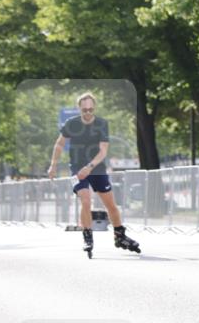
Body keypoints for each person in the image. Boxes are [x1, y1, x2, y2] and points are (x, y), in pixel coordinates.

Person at [47, 92, 140, 257]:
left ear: (94, 108)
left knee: (110, 205)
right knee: (85, 200)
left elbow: (103, 151)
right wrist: (53, 165)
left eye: (91, 109)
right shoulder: (71, 123)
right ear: (79, 108)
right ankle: (88, 237)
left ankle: (120, 236)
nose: (88, 113)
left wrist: (89, 167)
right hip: (77, 169)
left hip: (96, 168)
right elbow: (59, 144)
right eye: (85, 110)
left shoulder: (101, 124)